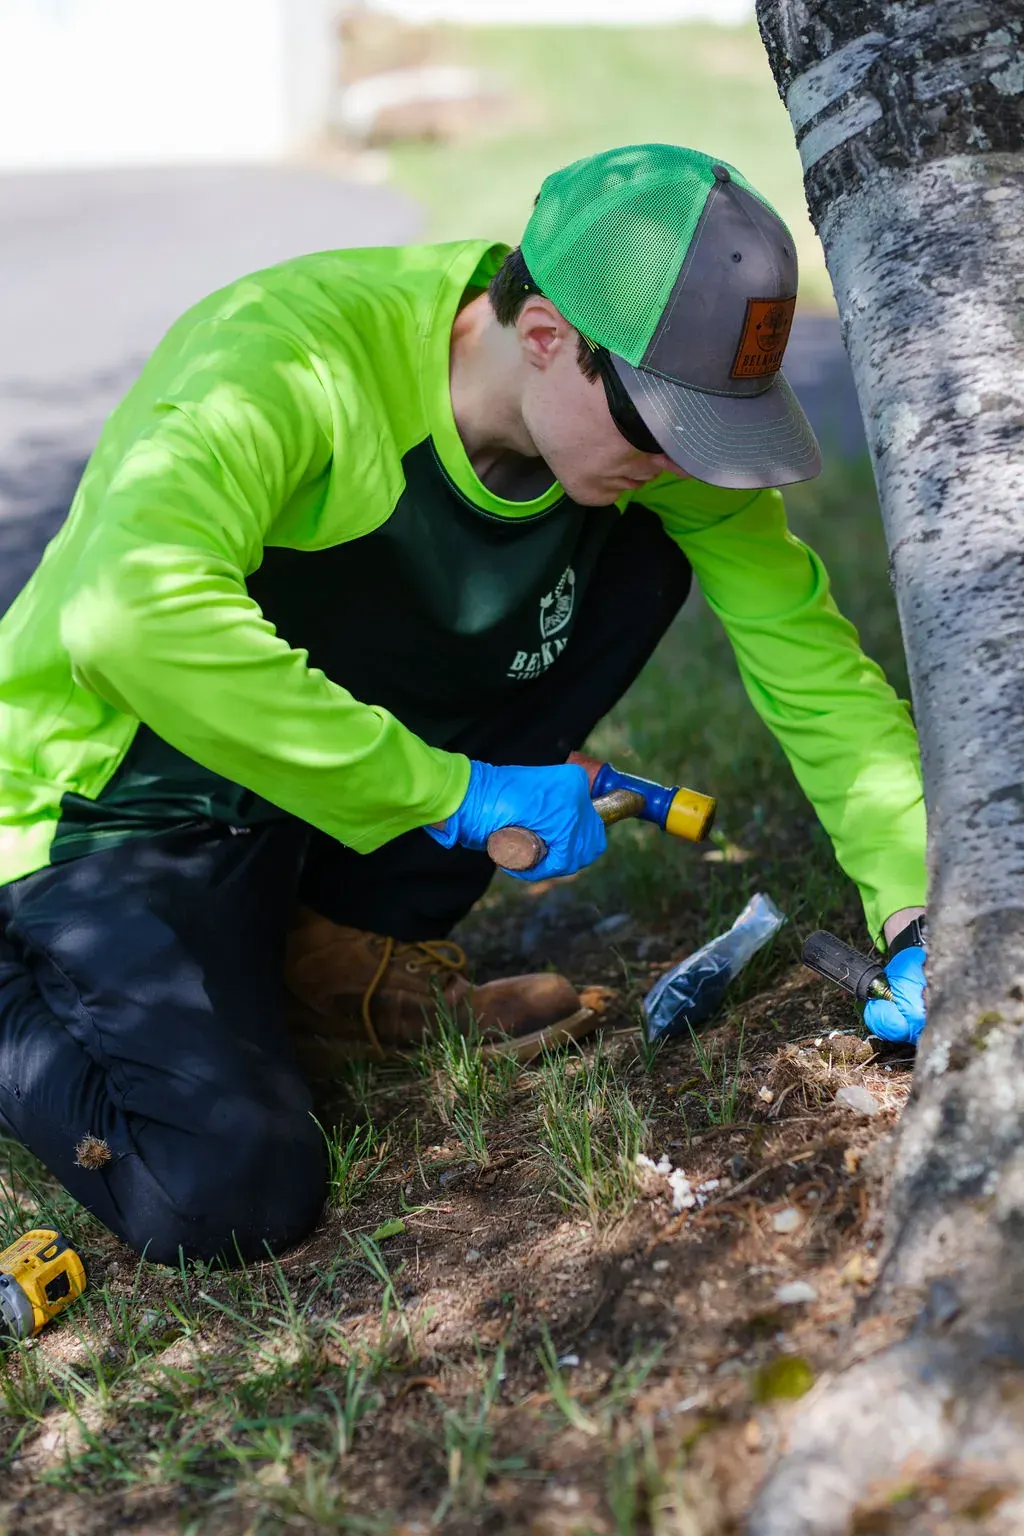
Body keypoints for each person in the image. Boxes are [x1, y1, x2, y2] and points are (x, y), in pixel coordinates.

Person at [0, 144, 926, 1266]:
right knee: (226, 1191)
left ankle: (320, 947)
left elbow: (807, 658)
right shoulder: (285, 358)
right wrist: (455, 792)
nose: (684, 459)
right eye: (660, 422)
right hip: (115, 801)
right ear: (545, 336)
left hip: (295, 786)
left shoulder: (640, 449)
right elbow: (126, 621)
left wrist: (920, 911)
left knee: (633, 563)